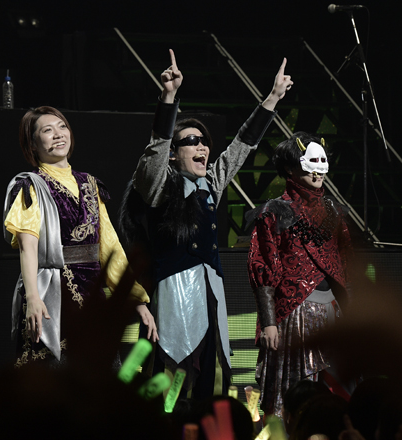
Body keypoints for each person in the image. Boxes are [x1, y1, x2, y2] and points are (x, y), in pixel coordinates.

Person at [119, 49, 292, 399]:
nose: (202, 147)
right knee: (172, 381)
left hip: (211, 294)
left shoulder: (210, 184)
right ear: (173, 153)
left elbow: (242, 146)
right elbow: (155, 151)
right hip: (173, 295)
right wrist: (168, 98)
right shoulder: (157, 187)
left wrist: (272, 99)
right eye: (191, 141)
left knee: (212, 381)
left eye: (204, 142)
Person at [3, 106, 157, 367]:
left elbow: (109, 246)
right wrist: (33, 298)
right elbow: (28, 247)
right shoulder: (31, 185)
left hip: (92, 294)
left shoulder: (90, 184)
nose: (58, 134)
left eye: (62, 127)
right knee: (53, 377)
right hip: (51, 294)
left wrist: (136, 299)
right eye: (47, 130)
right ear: (33, 144)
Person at [247, 133, 351, 417]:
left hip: (333, 312)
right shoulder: (273, 212)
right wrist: (268, 322)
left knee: (339, 389)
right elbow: (262, 265)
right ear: (290, 168)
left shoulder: (334, 212)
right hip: (295, 315)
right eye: (310, 162)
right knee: (294, 390)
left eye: (322, 161)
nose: (318, 170)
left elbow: (346, 263)